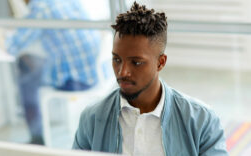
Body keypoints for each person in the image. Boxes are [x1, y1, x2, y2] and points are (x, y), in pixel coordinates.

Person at [72, 2, 228, 155]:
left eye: (136, 62)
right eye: (117, 59)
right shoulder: (92, 118)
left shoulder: (202, 120)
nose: (123, 72)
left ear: (160, 63)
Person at [6, 0, 101, 145]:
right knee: (32, 61)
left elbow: (12, 45)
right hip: (95, 71)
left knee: (26, 71)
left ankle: (37, 139)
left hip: (75, 81)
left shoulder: (40, 7)